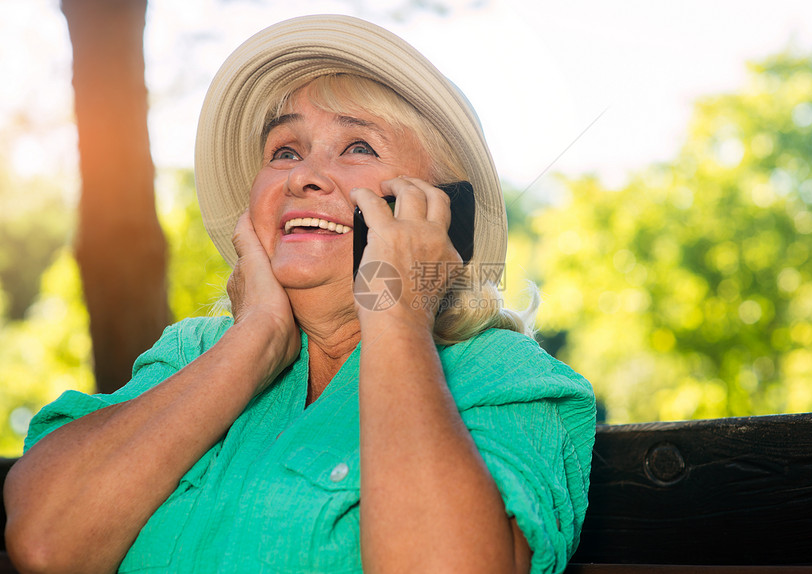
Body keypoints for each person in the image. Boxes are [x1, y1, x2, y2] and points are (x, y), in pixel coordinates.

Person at [4, 15, 596, 574]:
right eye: (285, 151)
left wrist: (393, 308)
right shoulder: (190, 355)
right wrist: (256, 336)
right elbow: (46, 541)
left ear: (442, 213)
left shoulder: (505, 378)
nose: (300, 175)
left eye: (358, 147)